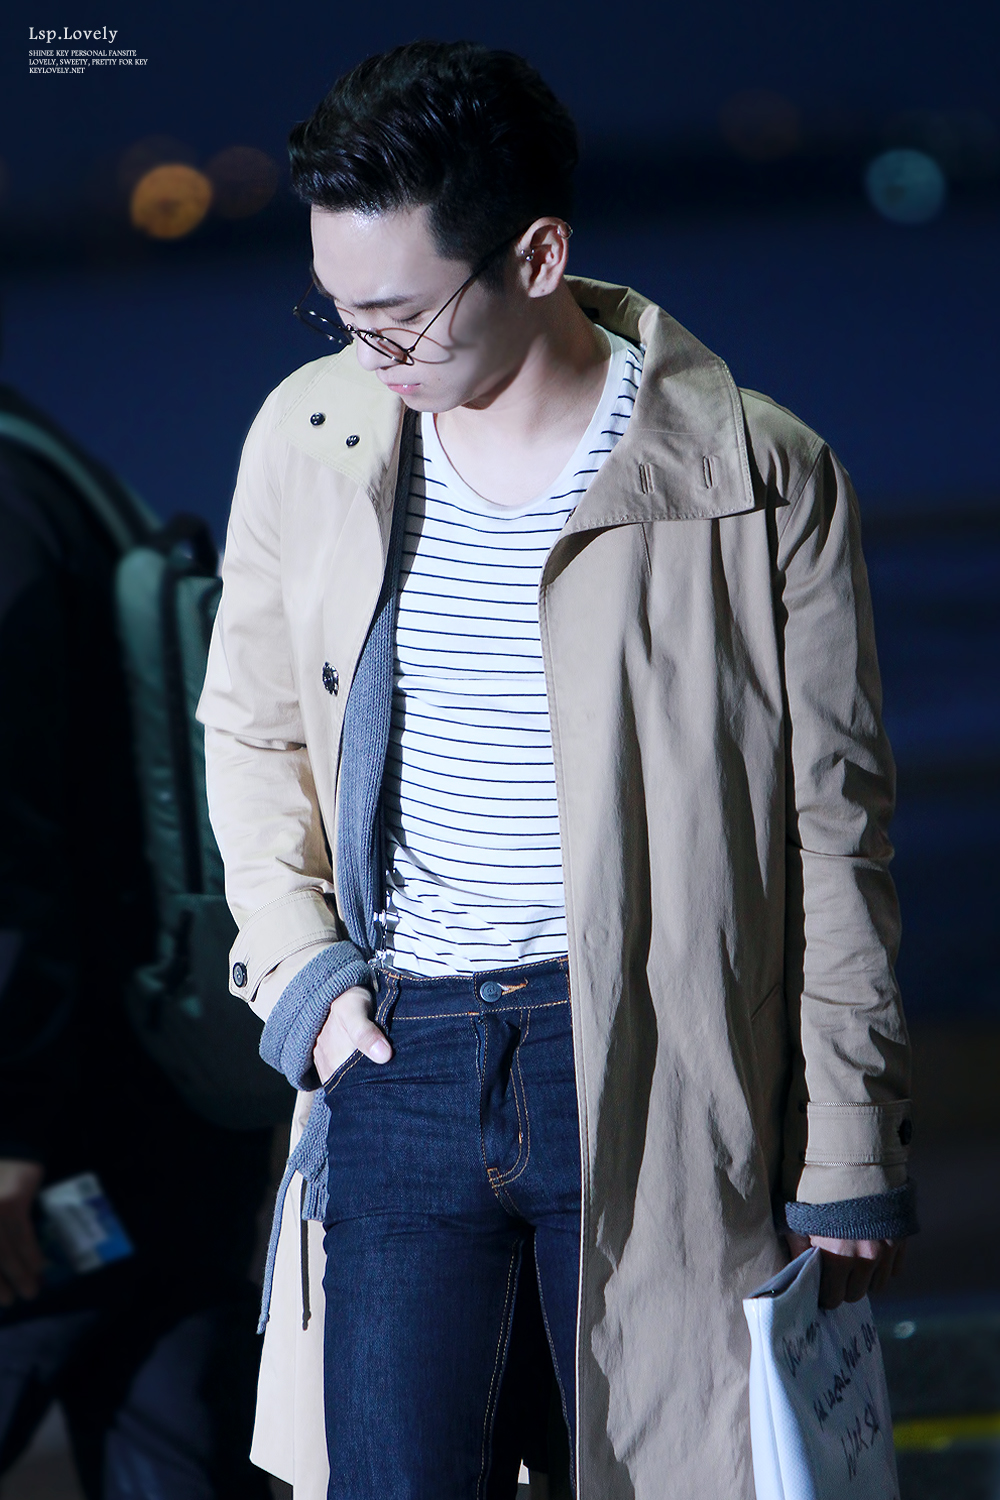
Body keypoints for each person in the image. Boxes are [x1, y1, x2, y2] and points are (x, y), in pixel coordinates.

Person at [198, 40, 916, 1500]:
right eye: (338, 312)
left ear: (536, 256)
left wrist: (849, 1139)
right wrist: (305, 982)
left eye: (401, 315)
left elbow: (832, 832)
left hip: (652, 1056)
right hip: (396, 1049)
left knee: (658, 1464)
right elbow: (251, 730)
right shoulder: (313, 437)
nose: (371, 354)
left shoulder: (758, 476)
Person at [0, 381, 274, 1499]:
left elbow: (11, 855)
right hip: (169, 1091)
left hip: (52, 1136)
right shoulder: (52, 468)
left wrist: (9, 1127)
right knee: (176, 1449)